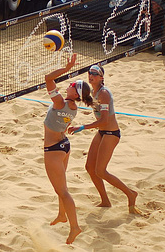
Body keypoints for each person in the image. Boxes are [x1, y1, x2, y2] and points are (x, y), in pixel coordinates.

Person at [68, 65, 142, 214]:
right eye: (90, 73)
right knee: (89, 168)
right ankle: (105, 201)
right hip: (102, 133)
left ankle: (131, 194)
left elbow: (105, 121)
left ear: (101, 77)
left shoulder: (104, 94)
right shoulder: (93, 92)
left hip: (111, 133)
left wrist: (82, 127)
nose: (91, 75)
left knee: (101, 171)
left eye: (95, 74)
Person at [42, 53, 90, 245]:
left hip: (53, 149)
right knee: (61, 188)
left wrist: (67, 67)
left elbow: (48, 78)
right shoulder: (73, 106)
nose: (69, 83)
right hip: (64, 145)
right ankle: (62, 215)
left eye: (72, 85)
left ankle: (74, 227)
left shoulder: (60, 102)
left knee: (63, 191)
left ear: (75, 93)